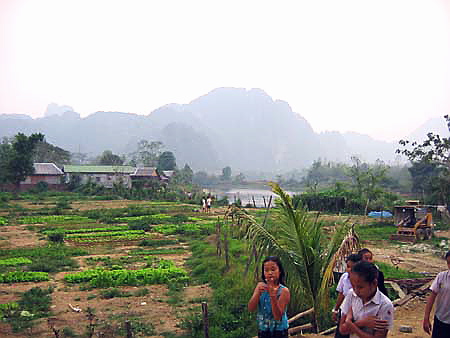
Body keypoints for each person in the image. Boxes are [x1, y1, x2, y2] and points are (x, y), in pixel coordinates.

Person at [339, 261, 394, 338]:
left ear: (374, 283)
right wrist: (362, 323)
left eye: (360, 287)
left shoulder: (384, 305)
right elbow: (342, 330)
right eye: (353, 286)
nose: (356, 290)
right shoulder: (351, 294)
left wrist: (350, 323)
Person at [248, 256, 291, 338]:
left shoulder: (284, 291)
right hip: (263, 330)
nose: (270, 273)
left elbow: (277, 317)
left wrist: (273, 296)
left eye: (273, 269)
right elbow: (250, 308)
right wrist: (257, 294)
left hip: (279, 331)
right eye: (266, 270)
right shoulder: (260, 287)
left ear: (280, 271)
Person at [333, 253, 362, 338]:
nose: (349, 270)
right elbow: (341, 294)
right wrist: (335, 310)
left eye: (353, 268)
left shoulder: (363, 282)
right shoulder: (344, 278)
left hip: (357, 314)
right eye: (348, 267)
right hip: (344, 313)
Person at [423, 250, 450, 337]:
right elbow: (432, 297)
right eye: (449, 263)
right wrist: (426, 318)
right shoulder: (441, 277)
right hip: (440, 319)